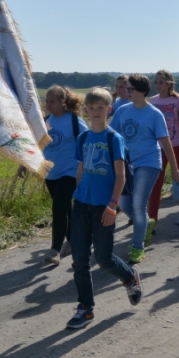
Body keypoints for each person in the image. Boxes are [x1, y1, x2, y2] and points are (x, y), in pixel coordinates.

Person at [66, 87, 143, 329]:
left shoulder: (114, 138)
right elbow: (81, 170)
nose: (96, 112)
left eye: (101, 108)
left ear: (109, 110)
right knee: (79, 260)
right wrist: (78, 196)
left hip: (104, 207)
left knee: (104, 258)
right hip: (81, 204)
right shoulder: (83, 138)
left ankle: (129, 276)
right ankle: (85, 309)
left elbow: (120, 177)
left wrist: (112, 207)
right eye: (92, 108)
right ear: (85, 110)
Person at [111, 74, 179, 263]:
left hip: (149, 163)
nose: (127, 92)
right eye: (127, 89)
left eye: (131, 89)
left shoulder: (154, 114)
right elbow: (110, 133)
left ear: (142, 91)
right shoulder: (122, 111)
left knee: (138, 205)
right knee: (124, 204)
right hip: (127, 163)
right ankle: (147, 223)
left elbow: (165, 143)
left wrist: (174, 170)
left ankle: (137, 248)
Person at [42, 86, 88, 265]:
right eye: (46, 101)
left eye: (52, 101)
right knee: (65, 208)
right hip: (50, 172)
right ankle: (73, 241)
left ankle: (55, 250)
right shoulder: (45, 121)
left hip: (71, 171)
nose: (48, 105)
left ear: (62, 102)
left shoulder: (75, 121)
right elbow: (38, 145)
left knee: (58, 208)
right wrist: (25, 165)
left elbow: (87, 143)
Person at [149, 70, 179, 227]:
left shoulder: (178, 100)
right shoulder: (152, 101)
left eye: (161, 82)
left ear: (168, 83)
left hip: (177, 145)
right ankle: (152, 219)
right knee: (156, 182)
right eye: (156, 82)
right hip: (158, 148)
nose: (158, 85)